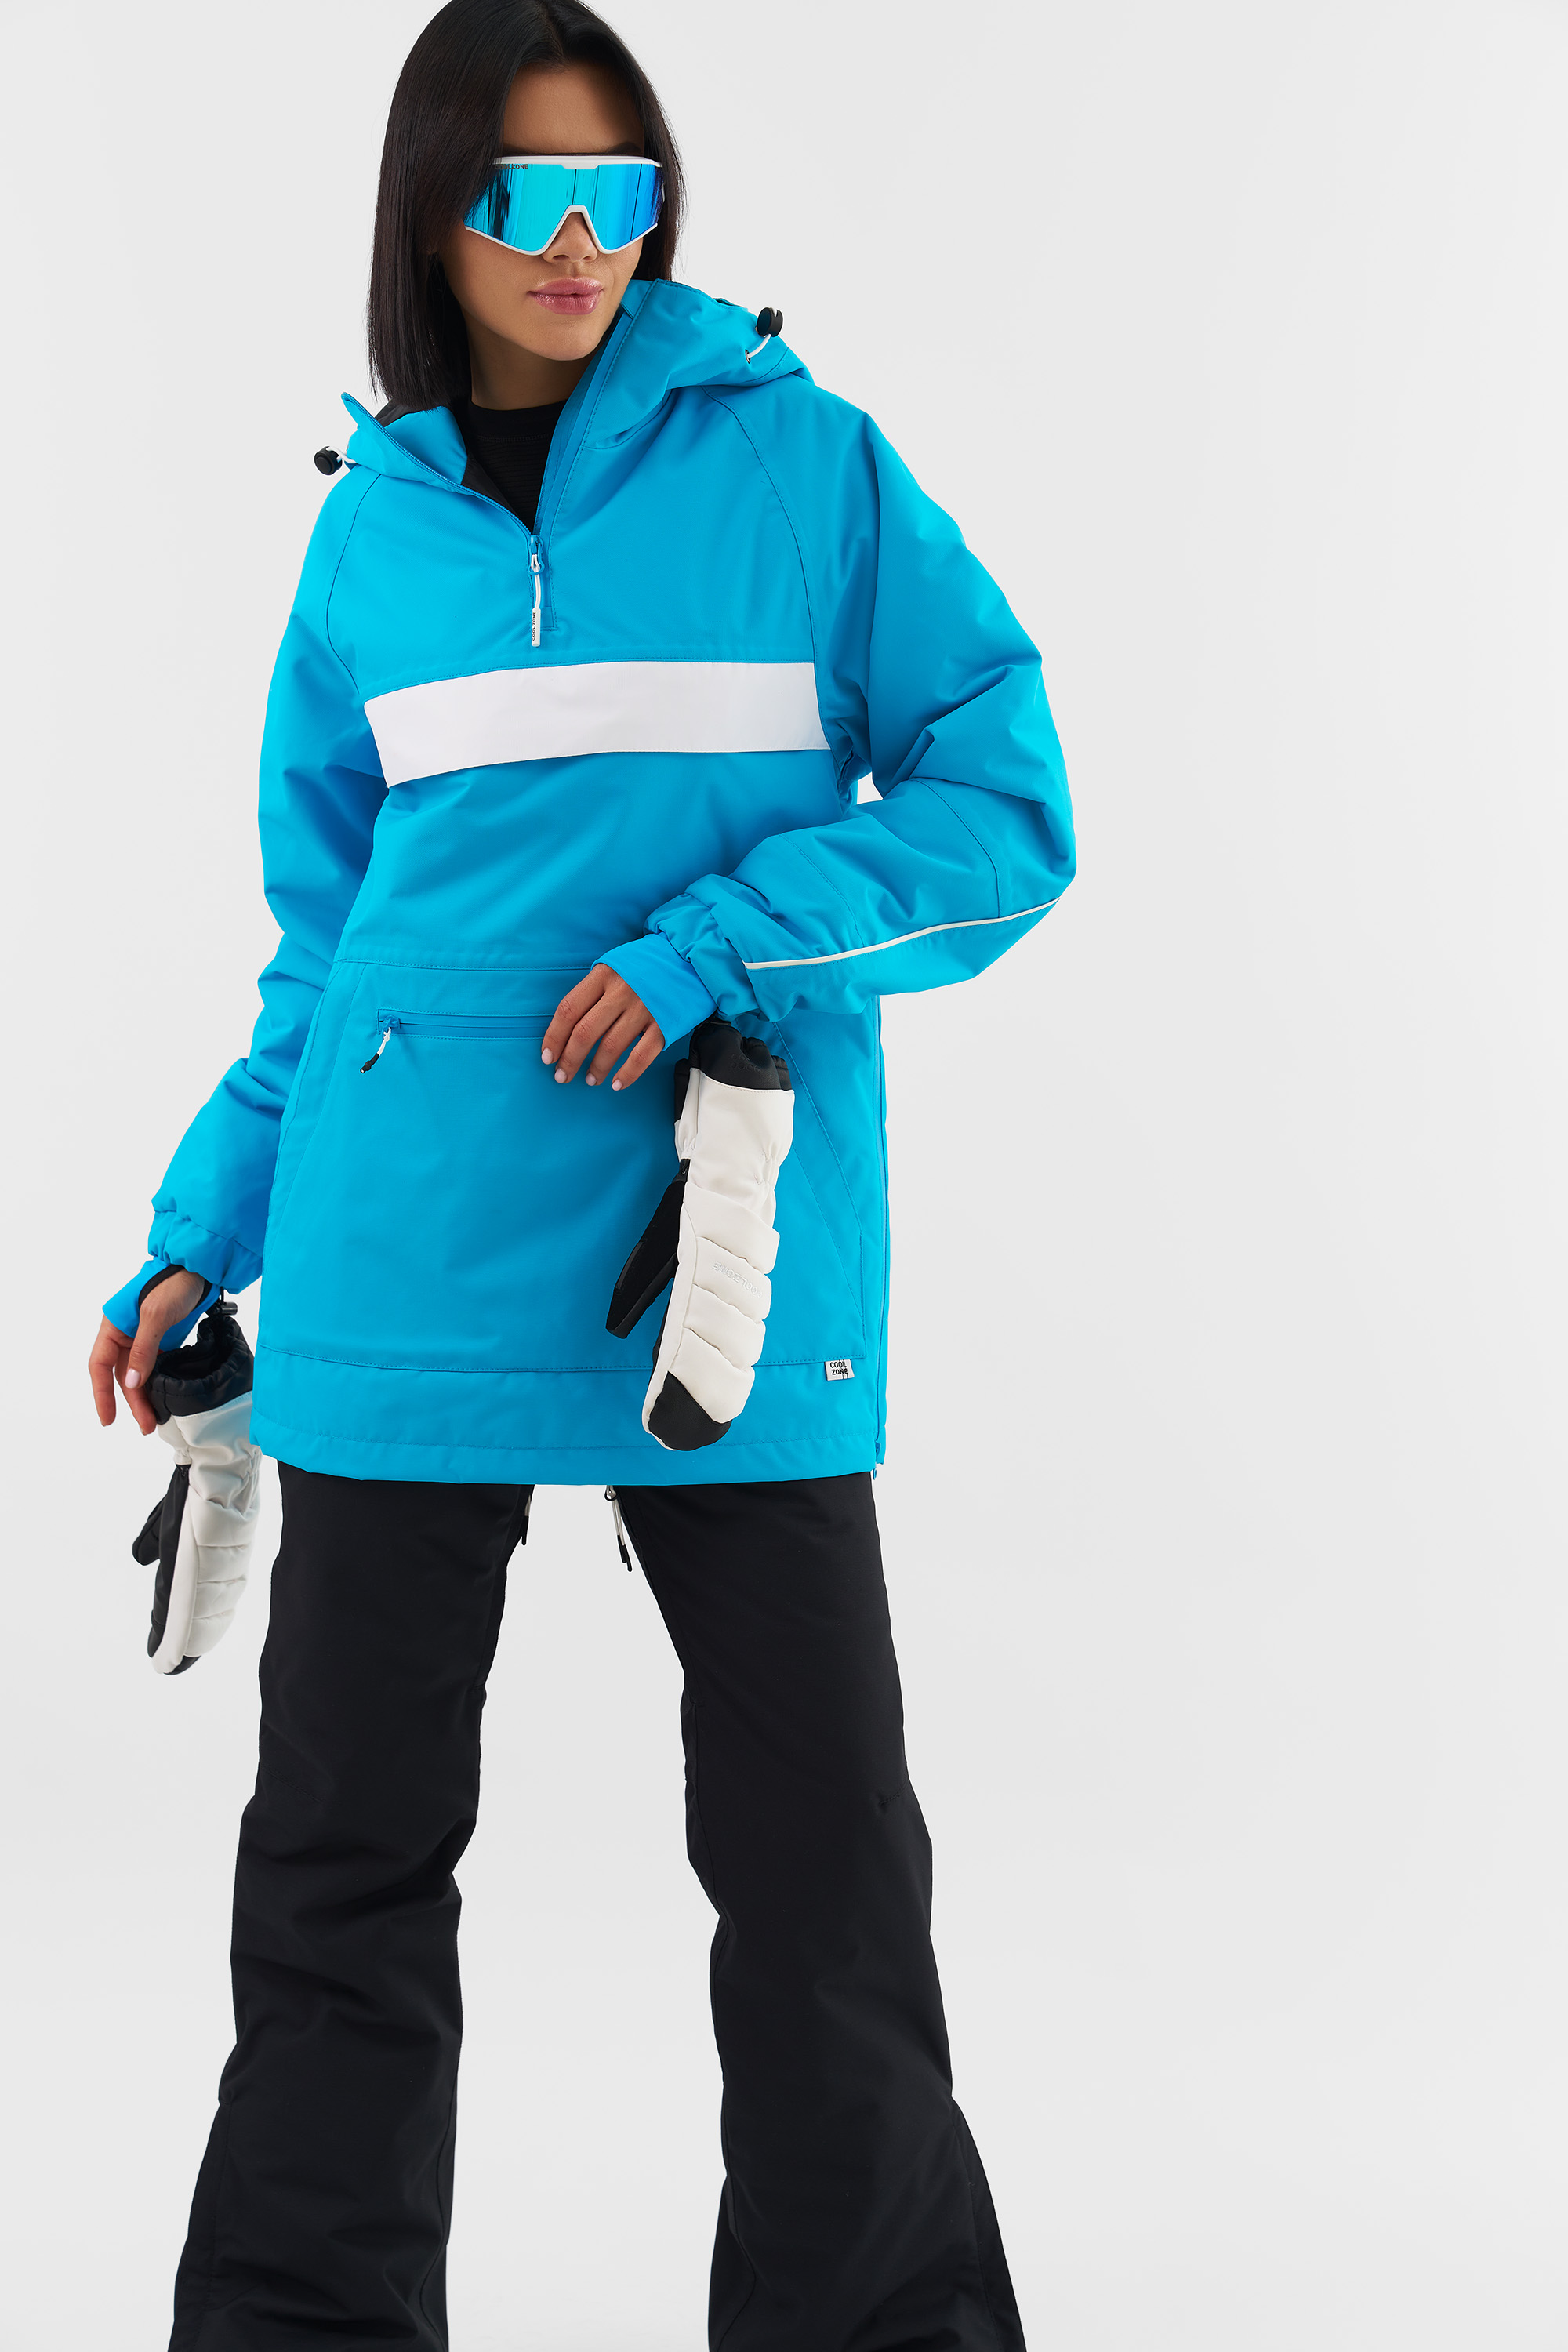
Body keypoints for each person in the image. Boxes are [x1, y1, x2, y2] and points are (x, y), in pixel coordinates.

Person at [88, 1, 1076, 2343]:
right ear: (433, 212)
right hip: (394, 1257)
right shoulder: (373, 530)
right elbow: (330, 949)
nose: (579, 242)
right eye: (527, 195)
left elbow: (1004, 803)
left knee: (823, 1860)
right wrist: (197, 1233)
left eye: (619, 194)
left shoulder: (805, 466)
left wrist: (712, 940)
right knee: (340, 1868)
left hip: (710, 1264)